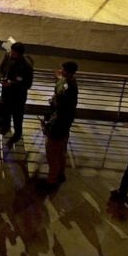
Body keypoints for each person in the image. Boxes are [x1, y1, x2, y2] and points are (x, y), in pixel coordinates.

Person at [40, 61, 79, 190]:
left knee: (52, 155)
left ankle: (51, 182)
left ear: (67, 71)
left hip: (58, 126)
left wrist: (47, 124)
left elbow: (61, 99)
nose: (61, 71)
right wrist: (60, 79)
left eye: (63, 69)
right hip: (65, 126)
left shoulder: (67, 89)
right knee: (61, 151)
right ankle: (61, 174)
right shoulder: (71, 83)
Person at [0, 42, 34, 145]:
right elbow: (0, 69)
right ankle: (5, 127)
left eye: (14, 53)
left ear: (20, 54)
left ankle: (17, 134)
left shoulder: (26, 66)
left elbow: (28, 84)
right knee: (5, 112)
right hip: (6, 93)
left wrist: (12, 83)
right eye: (11, 51)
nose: (11, 54)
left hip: (18, 96)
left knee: (17, 117)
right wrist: (1, 78)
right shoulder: (8, 56)